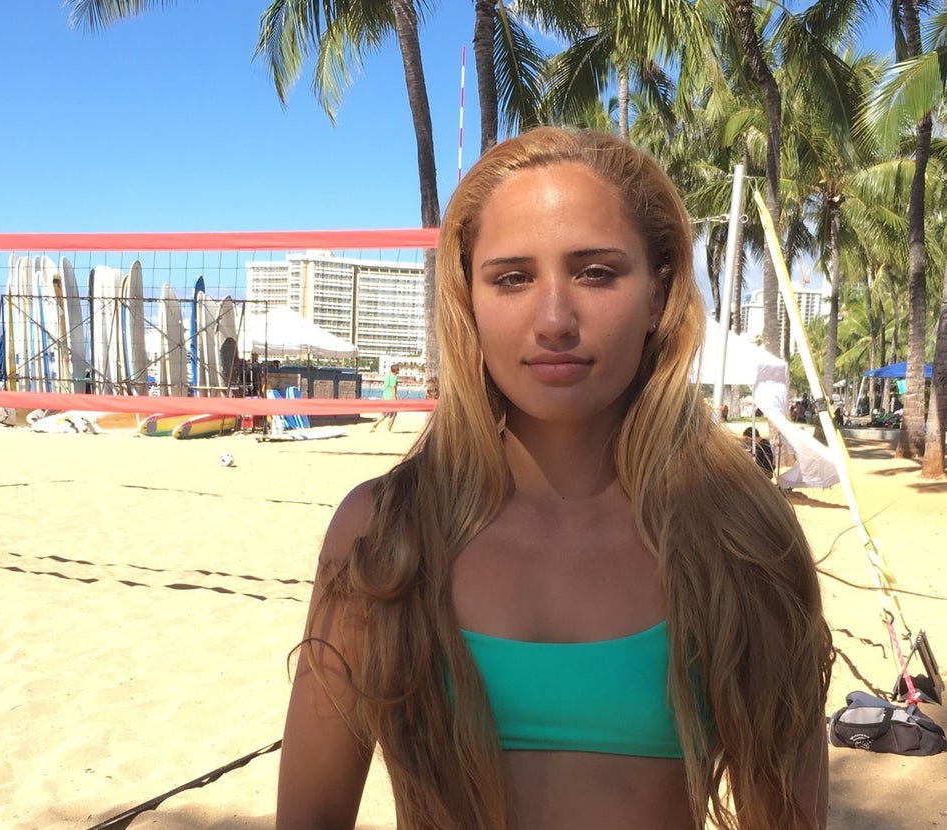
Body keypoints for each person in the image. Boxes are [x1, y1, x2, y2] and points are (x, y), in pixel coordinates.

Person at [277, 128, 831, 829]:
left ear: (659, 294)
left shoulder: (739, 534)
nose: (554, 320)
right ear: (467, 299)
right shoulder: (384, 532)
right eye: (512, 278)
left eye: (595, 272)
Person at [369, 363, 400, 432]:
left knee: (385, 413)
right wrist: (394, 398)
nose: (399, 371)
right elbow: (392, 387)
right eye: (398, 370)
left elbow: (386, 387)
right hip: (390, 397)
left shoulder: (387, 376)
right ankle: (388, 429)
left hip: (385, 396)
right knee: (393, 414)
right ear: (396, 370)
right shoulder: (394, 377)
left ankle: (376, 424)